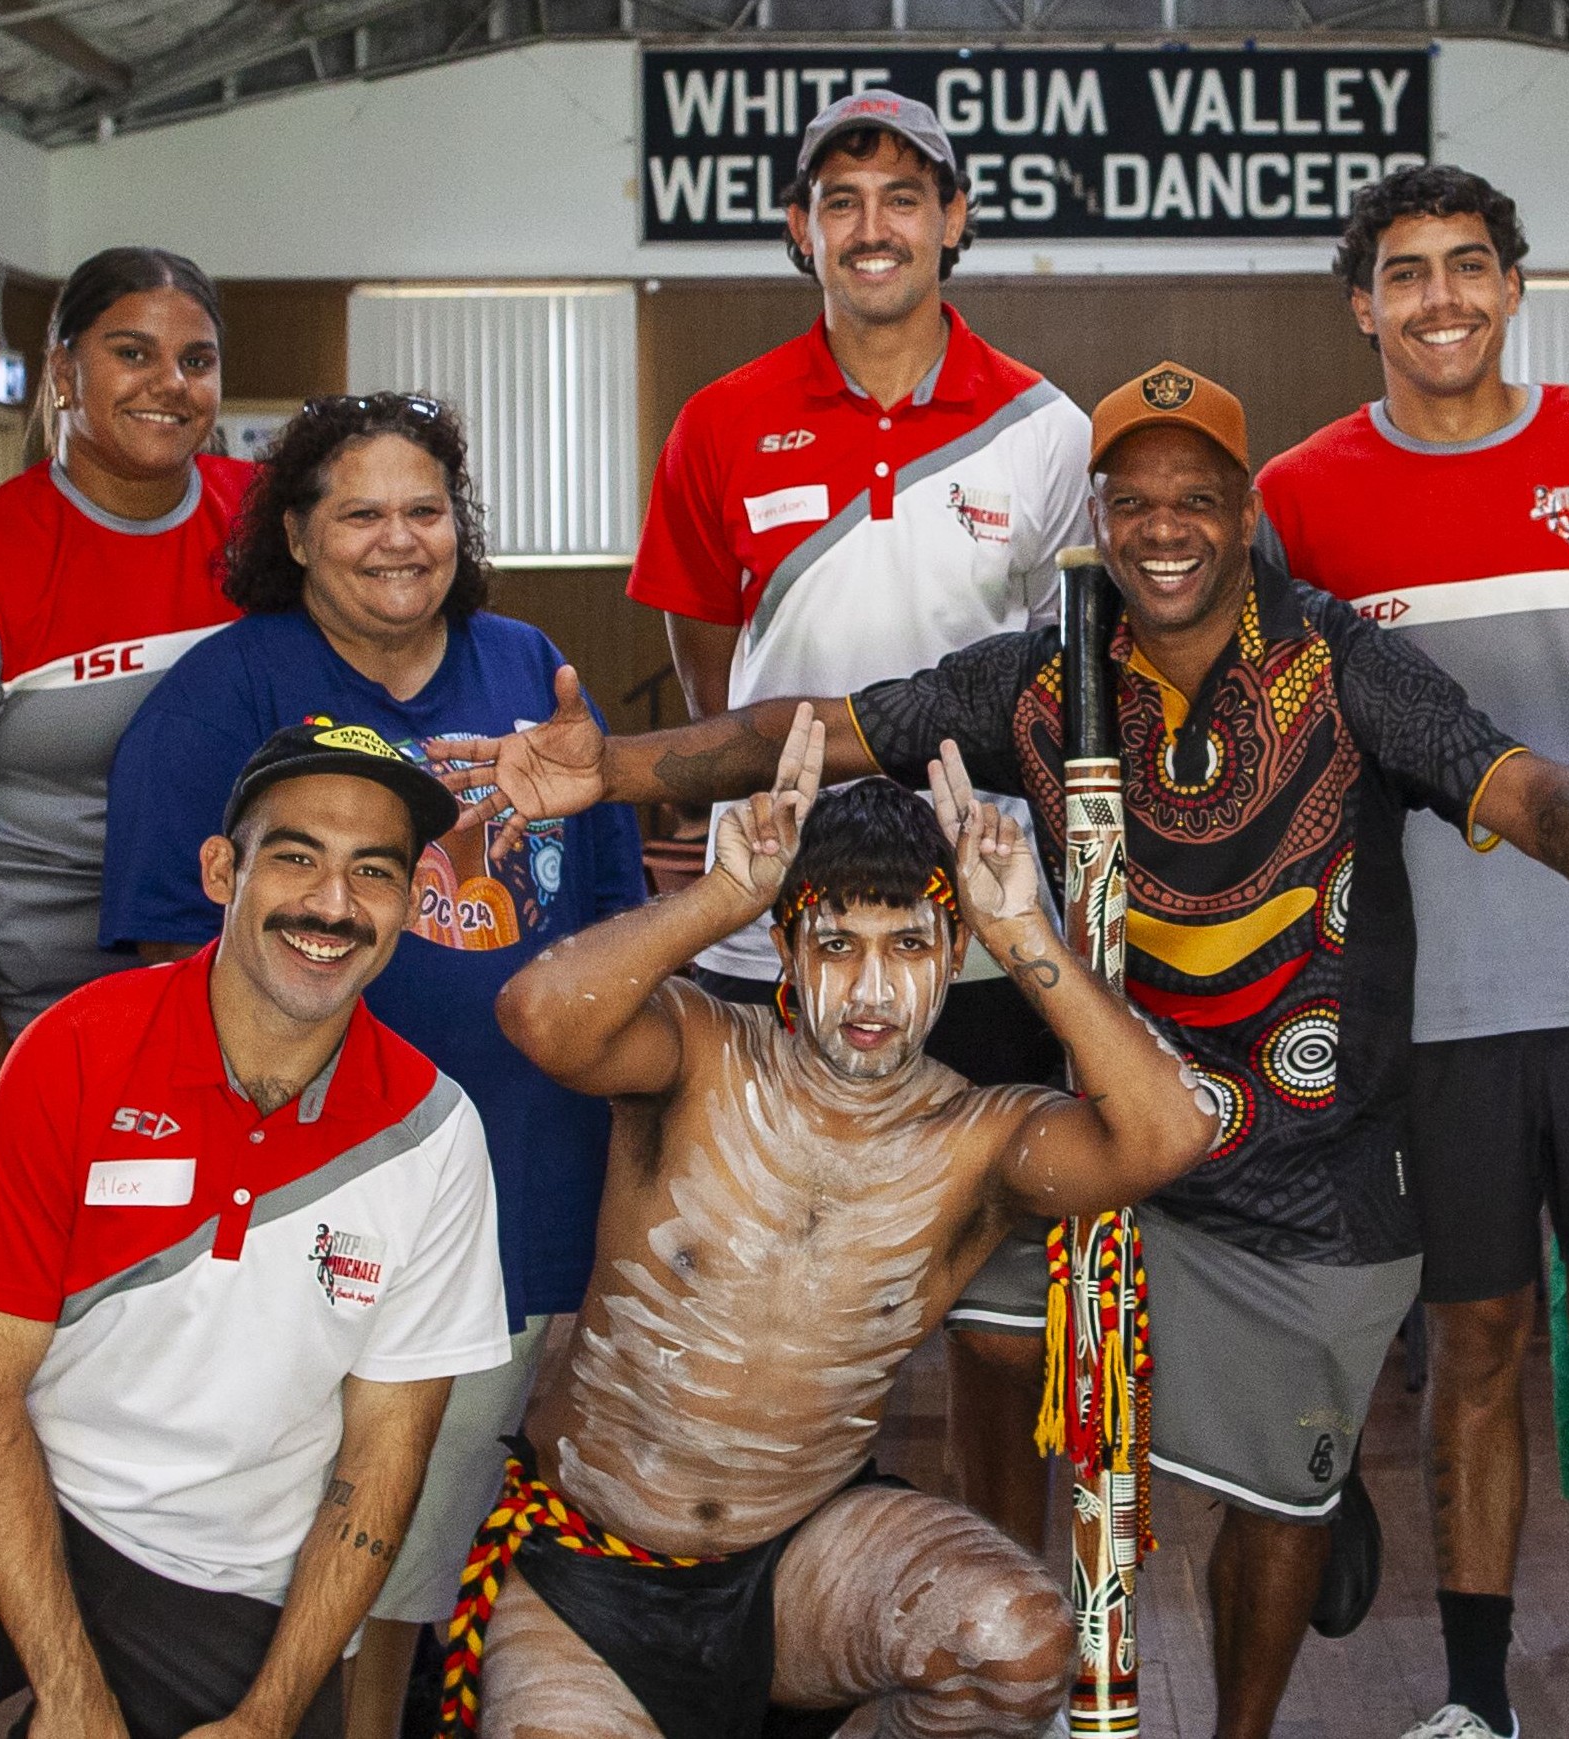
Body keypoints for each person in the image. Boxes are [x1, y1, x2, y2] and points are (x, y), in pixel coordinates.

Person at [433, 361, 1569, 1738]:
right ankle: (842, 1602)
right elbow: (825, 730)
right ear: (1097, 514)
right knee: (873, 1265)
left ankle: (1251, 1683)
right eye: (1135, 499)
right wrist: (606, 768)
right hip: (1108, 1143)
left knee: (1278, 1503)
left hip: (1313, 1179)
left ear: (1244, 513)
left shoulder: (1340, 660)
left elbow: (1507, 776)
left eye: (1198, 498)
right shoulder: (1044, 672)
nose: (1166, 525)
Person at [448, 717, 1215, 1738]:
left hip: (800, 1564)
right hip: (592, 1575)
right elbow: (538, 1014)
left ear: (953, 951)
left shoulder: (978, 1138)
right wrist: (719, 895)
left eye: (907, 944)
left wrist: (1026, 934)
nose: (869, 989)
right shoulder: (699, 1050)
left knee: (1017, 1638)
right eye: (836, 943)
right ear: (784, 945)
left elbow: (1169, 1133)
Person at [0, 723, 510, 1739]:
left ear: (410, 902)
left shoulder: (434, 1131)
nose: (331, 903)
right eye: (295, 856)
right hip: (20, 1492)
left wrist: (268, 1715)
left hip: (234, 1581)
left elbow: (379, 1469)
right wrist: (71, 1696)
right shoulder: (75, 1048)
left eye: (371, 870)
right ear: (219, 870)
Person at [1256, 162, 1569, 1739]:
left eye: (1470, 266)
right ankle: (1473, 1700)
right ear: (1363, 304)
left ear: (1514, 286)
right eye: (1406, 273)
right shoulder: (1302, 496)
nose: (1440, 298)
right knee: (1469, 1343)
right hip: (1430, 1007)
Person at [97, 391, 647, 1739]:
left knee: (427, 1522)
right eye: (359, 511)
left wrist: (609, 1245)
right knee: (301, 1506)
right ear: (295, 532)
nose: (398, 539)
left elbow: (623, 945)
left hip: (523, 1185)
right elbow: (153, 969)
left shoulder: (532, 668)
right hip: (304, 1200)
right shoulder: (224, 694)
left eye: (425, 509)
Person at [624, 89, 1093, 1548]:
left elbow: (1059, 684)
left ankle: (985, 1592)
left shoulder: (1045, 431)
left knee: (994, 1319)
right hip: (776, 934)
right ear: (799, 231)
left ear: (953, 221)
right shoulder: (719, 421)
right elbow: (713, 677)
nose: (873, 224)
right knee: (768, 1282)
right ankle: (772, 1610)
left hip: (976, 937)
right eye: (842, 198)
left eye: (904, 195)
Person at [0, 247, 250, 1136]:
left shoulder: (269, 526)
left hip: (256, 995)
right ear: (64, 371)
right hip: (54, 1011)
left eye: (197, 360)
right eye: (132, 353)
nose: (170, 383)